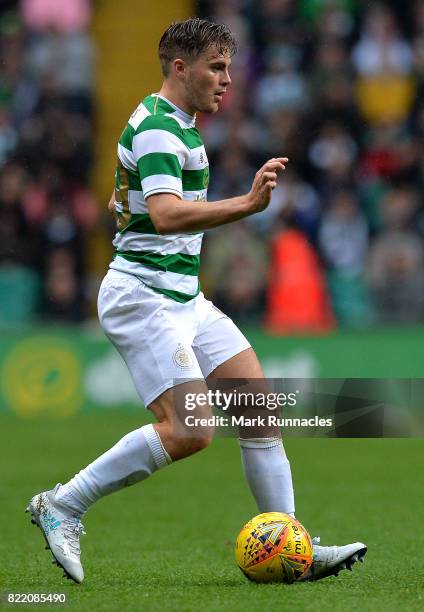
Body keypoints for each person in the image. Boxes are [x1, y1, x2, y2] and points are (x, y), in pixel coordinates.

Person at [26, 18, 367, 584]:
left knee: (259, 413)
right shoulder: (159, 129)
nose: (228, 80)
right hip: (144, 296)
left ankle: (290, 545)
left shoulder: (181, 125)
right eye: (216, 67)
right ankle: (63, 504)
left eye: (229, 67)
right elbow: (164, 215)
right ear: (180, 69)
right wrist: (247, 205)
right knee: (191, 430)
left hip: (182, 295)